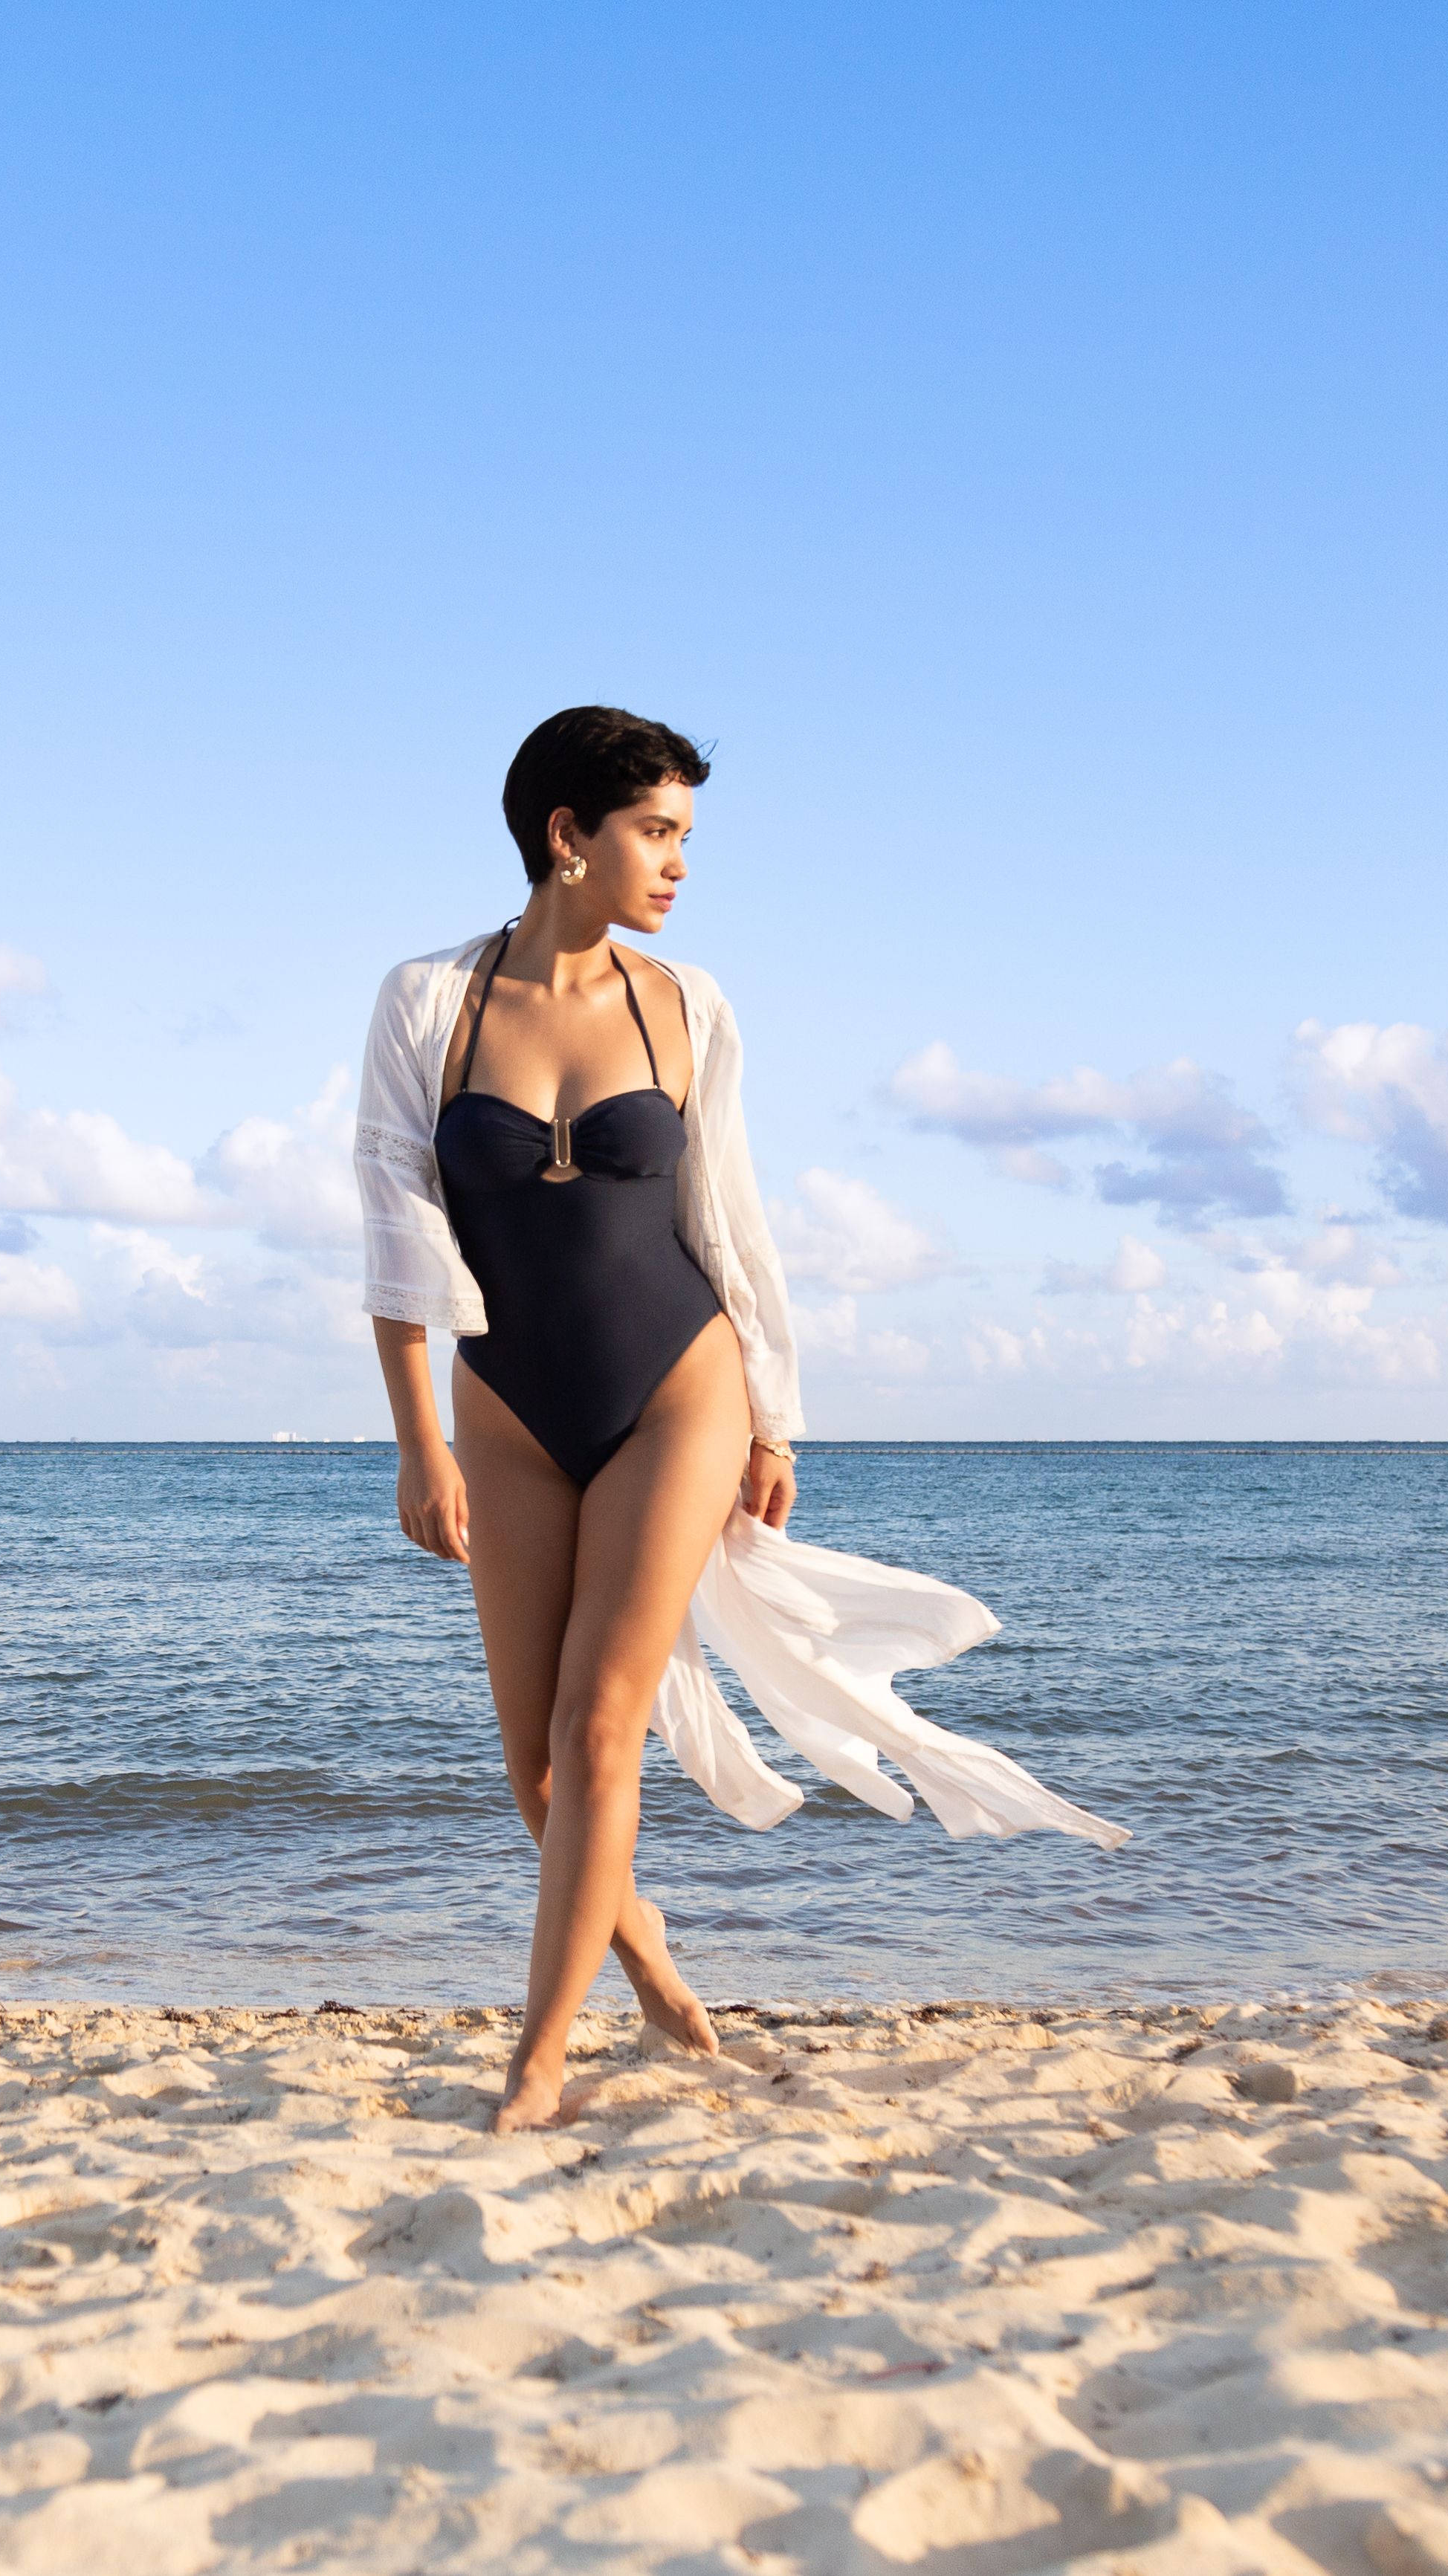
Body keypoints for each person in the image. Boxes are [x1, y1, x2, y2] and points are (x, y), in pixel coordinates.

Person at [357, 705, 1125, 2134]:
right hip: (505, 1406)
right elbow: (397, 1216)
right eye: (655, 832)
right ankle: (649, 1964)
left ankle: (538, 2066)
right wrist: (419, 1441)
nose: (678, 863)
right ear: (567, 836)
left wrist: (774, 1420)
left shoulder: (688, 1004)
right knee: (538, 1771)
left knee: (601, 1729)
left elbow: (728, 1218)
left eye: (685, 836)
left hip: (677, 1384)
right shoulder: (428, 1002)